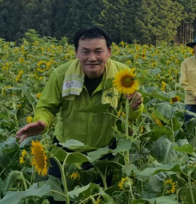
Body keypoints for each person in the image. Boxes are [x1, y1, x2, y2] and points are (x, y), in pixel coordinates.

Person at [15, 26, 144, 180]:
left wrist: (135, 107)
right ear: (76, 52)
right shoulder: (61, 75)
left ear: (109, 52)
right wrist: (42, 121)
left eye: (98, 51)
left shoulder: (122, 74)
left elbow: (132, 113)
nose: (92, 58)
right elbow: (46, 107)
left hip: (103, 152)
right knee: (59, 198)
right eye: (85, 52)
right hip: (65, 151)